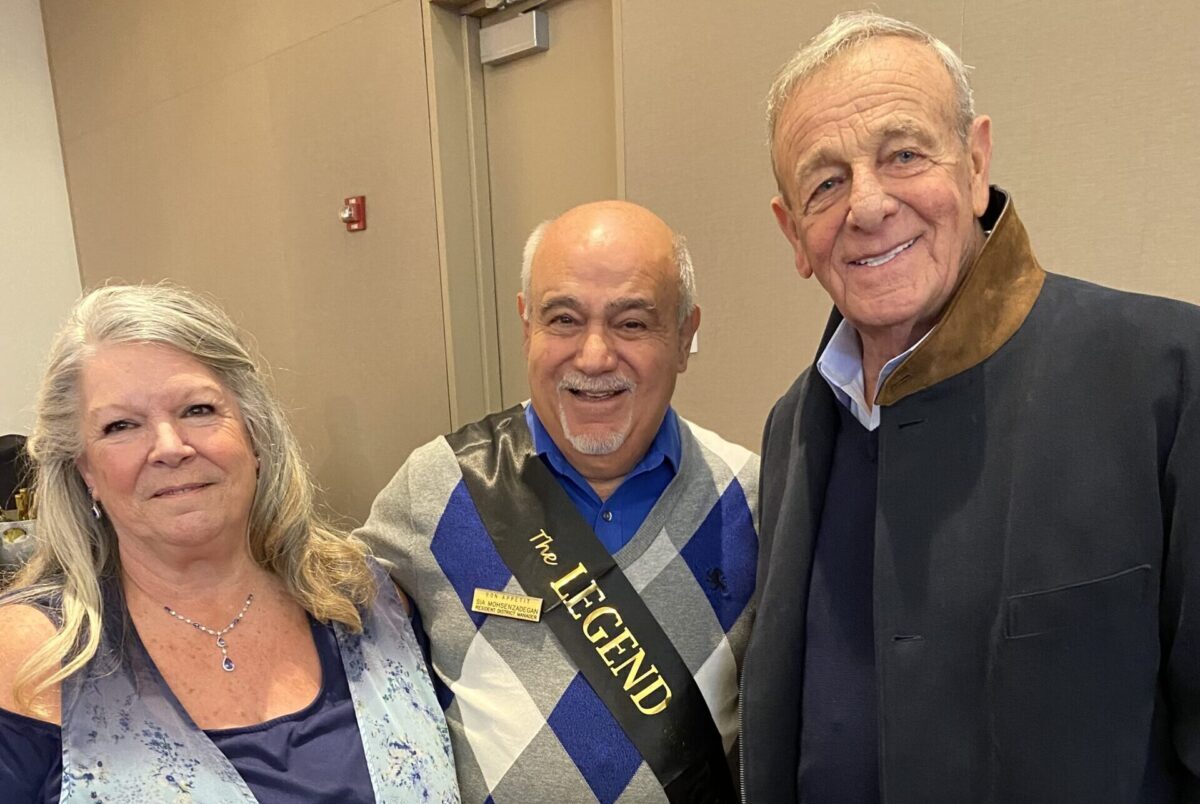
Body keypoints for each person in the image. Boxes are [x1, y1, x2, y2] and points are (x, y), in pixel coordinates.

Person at [739, 10, 1200, 803]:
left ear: (976, 163)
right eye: (826, 183)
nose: (868, 206)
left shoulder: (1166, 376)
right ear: (792, 232)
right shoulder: (794, 428)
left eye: (904, 154)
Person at [356, 201, 759, 803]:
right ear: (527, 327)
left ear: (684, 336)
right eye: (564, 319)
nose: (594, 357)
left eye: (631, 324)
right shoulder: (439, 484)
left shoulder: (750, 497)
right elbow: (325, 634)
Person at [0, 284, 459, 803]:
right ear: (86, 469)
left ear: (254, 434)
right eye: (121, 425)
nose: (170, 447)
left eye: (197, 410)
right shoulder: (27, 658)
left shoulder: (368, 600)